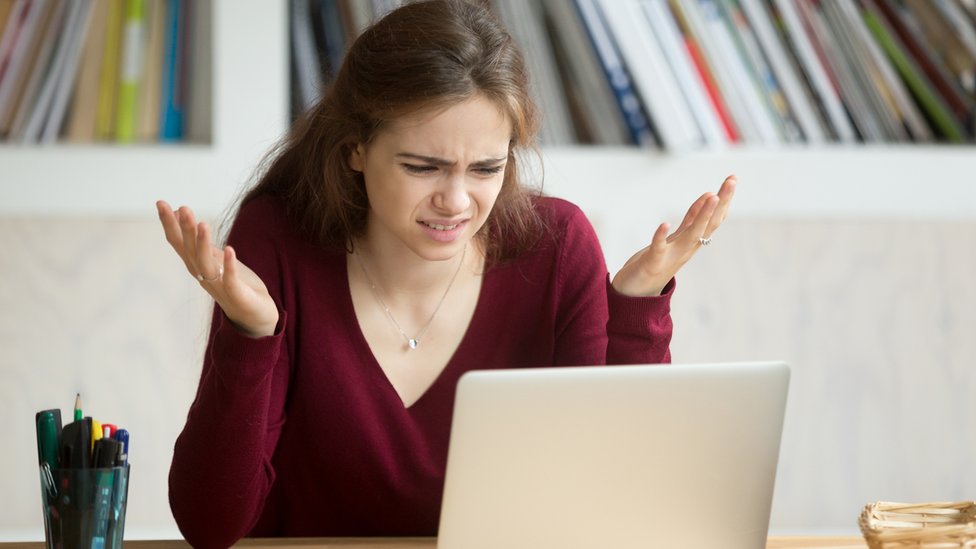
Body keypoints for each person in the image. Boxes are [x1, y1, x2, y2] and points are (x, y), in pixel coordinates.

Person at [157, 1, 734, 547]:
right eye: (422, 167)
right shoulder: (277, 239)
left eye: (487, 168)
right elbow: (211, 525)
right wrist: (251, 334)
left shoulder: (557, 248)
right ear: (355, 147)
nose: (456, 201)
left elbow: (619, 509)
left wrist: (635, 308)